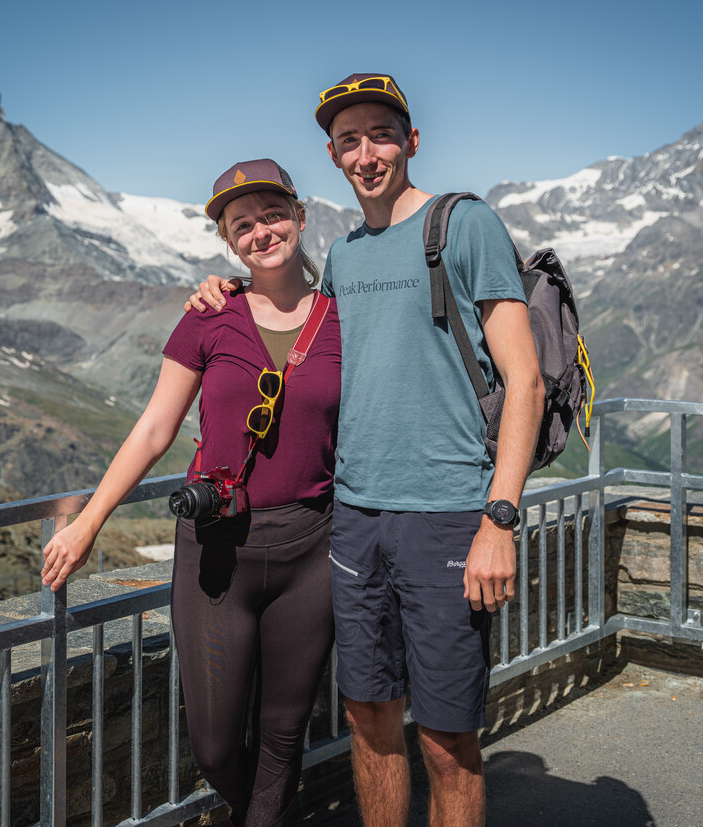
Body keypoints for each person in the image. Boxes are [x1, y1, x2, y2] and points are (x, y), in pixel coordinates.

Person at [190, 76, 542, 827]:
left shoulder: (464, 225)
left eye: (381, 134)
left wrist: (500, 518)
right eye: (349, 140)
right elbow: (283, 314)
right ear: (332, 154)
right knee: (370, 717)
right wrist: (217, 288)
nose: (366, 152)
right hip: (353, 519)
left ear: (411, 142)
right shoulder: (343, 259)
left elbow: (527, 380)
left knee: (448, 741)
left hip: (449, 515)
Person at [42, 158, 341, 827]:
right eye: (243, 224)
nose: (261, 232)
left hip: (313, 547)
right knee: (212, 741)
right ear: (229, 243)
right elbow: (153, 429)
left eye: (271, 214)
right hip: (218, 550)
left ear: (299, 216)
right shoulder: (209, 316)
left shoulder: (341, 319)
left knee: (284, 732)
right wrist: (88, 522)